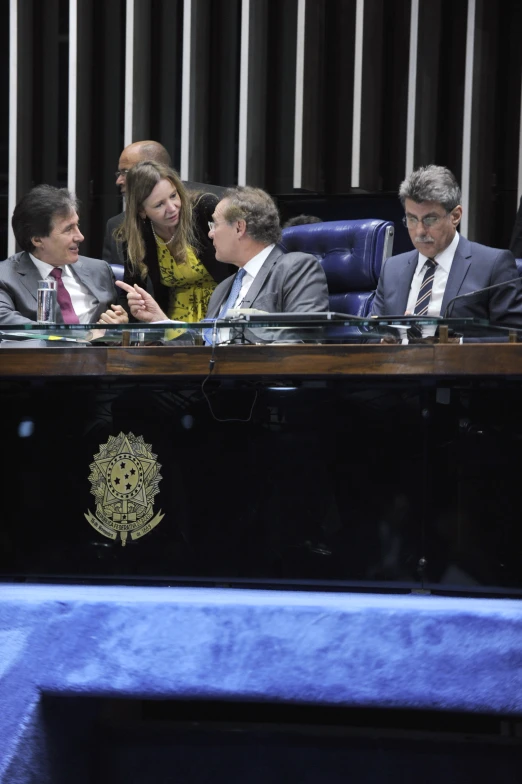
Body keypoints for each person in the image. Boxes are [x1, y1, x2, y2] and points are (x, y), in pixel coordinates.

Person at [116, 185, 329, 324]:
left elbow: (304, 338)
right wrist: (160, 320)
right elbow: (204, 343)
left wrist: (242, 327)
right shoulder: (223, 289)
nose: (210, 233)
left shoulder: (297, 268)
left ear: (239, 228)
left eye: (214, 224)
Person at [371, 165, 522, 328]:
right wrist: (383, 340)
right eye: (412, 219)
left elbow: (513, 336)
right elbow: (368, 336)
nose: (420, 231)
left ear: (455, 216)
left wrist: (454, 342)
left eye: (430, 219)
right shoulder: (391, 269)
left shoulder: (493, 266)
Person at [116, 161, 231, 323]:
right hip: (172, 325)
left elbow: (239, 265)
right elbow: (134, 292)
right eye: (159, 205)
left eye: (173, 196)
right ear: (142, 211)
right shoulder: (137, 237)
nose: (172, 208)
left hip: (222, 314)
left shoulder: (204, 210)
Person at [0, 185, 126, 326]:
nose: (80, 237)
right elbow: (4, 319)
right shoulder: (5, 277)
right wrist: (74, 336)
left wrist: (118, 326)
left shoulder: (100, 270)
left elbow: (118, 324)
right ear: (37, 239)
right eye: (68, 229)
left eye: (77, 226)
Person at [103, 139, 225, 265]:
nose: (119, 181)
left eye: (126, 172)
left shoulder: (211, 207)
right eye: (158, 205)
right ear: (142, 211)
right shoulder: (118, 227)